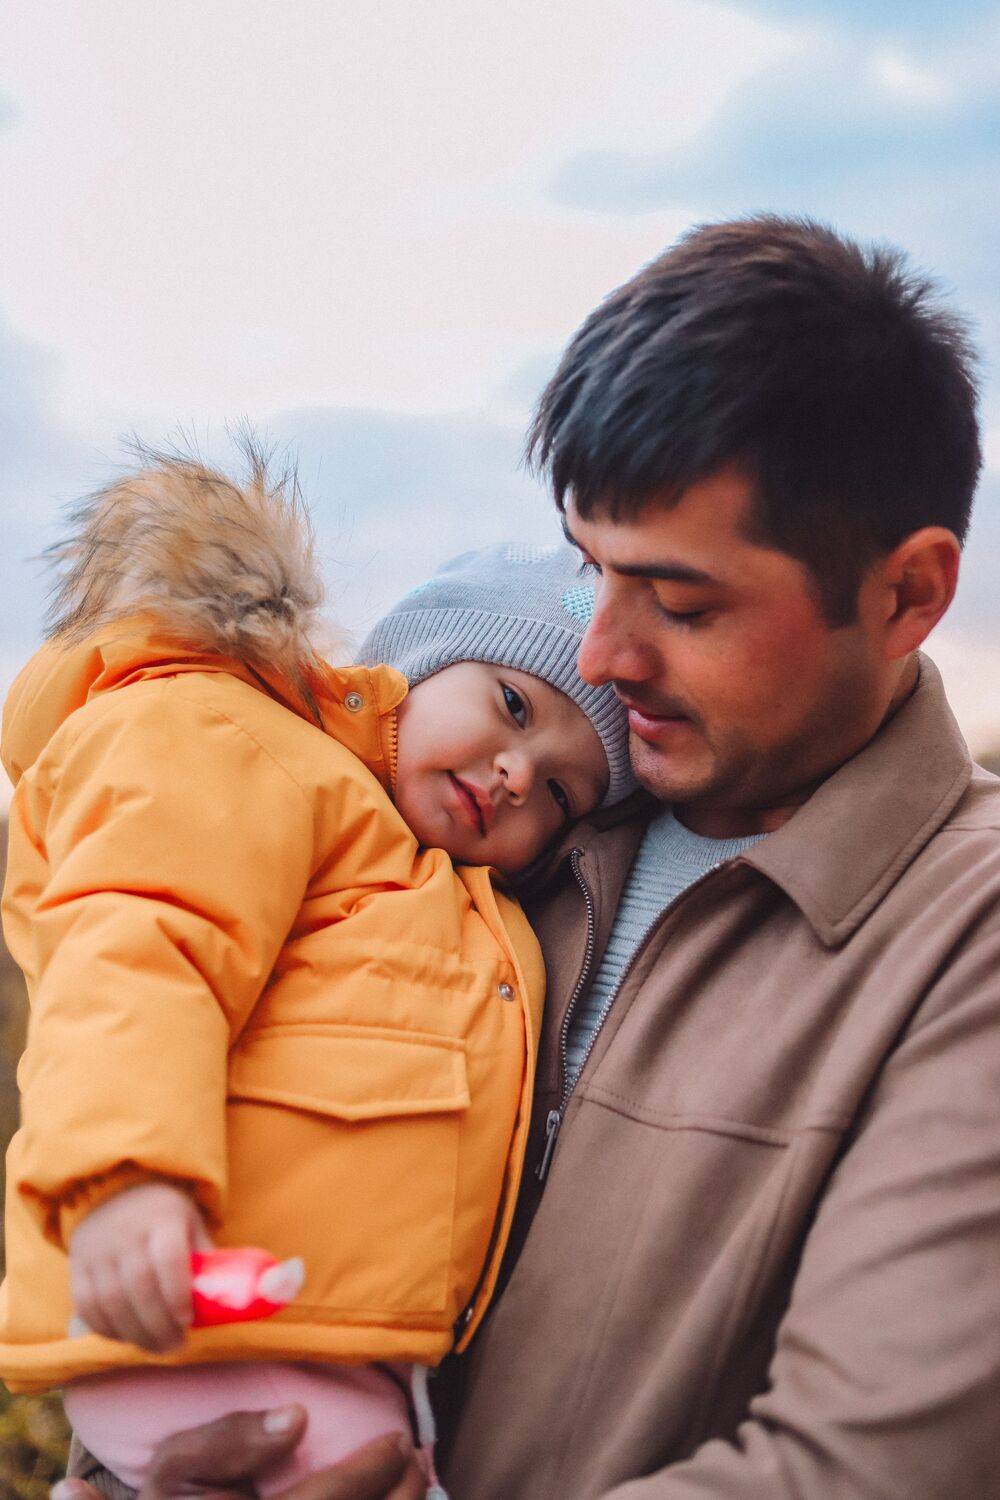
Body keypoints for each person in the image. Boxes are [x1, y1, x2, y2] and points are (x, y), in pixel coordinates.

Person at [60, 214, 1000, 1499]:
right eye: (587, 570)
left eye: (682, 604)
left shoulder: (964, 937)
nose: (603, 655)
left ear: (907, 595)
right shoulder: (485, 852)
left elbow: (869, 1468)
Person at [0, 450, 635, 1496]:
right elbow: (140, 948)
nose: (519, 774)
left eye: (564, 793)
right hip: (189, 1294)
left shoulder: (426, 885)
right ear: (416, 665)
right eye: (514, 708)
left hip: (315, 1333)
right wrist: (122, 1180)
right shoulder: (235, 740)